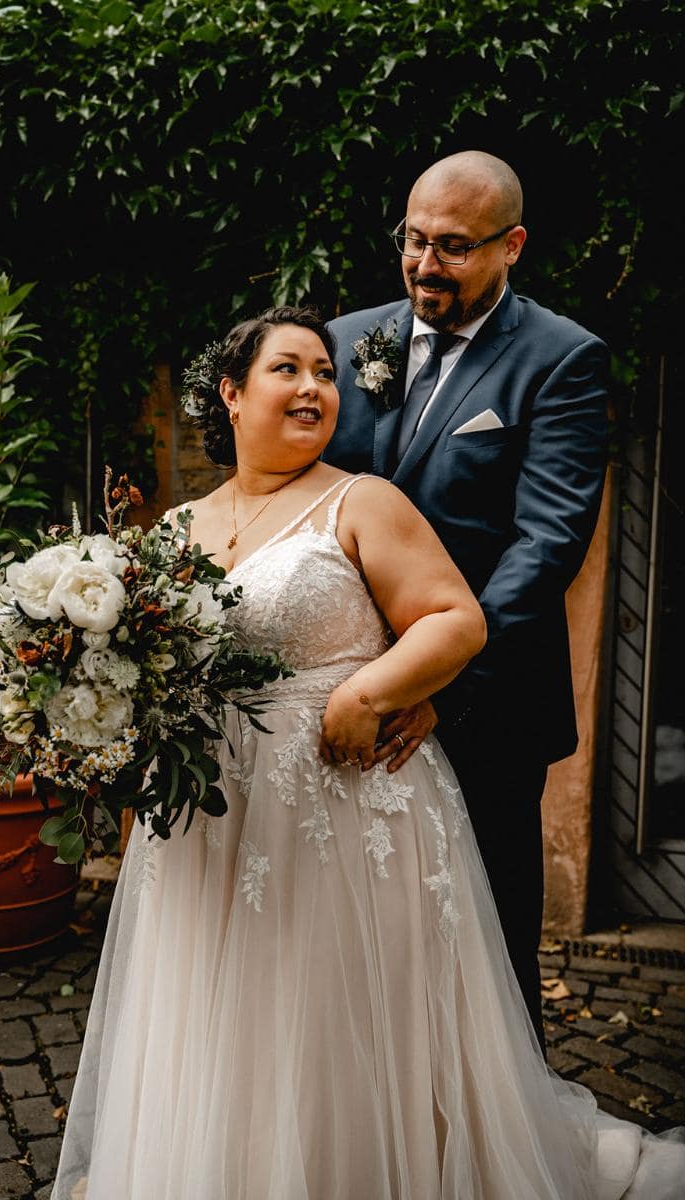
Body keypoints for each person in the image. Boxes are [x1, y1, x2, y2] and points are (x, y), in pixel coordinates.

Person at [52, 305, 683, 1199]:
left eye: (325, 373)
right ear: (232, 395)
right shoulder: (170, 533)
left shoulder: (361, 500)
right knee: (229, 1016)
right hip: (212, 820)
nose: (315, 388)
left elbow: (457, 619)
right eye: (289, 371)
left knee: (333, 1013)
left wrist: (368, 691)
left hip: (344, 809)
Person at [325, 150, 609, 1046]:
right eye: (412, 240)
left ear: (510, 245)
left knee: (487, 933)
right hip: (340, 687)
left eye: (452, 246)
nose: (422, 265)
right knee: (353, 932)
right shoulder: (352, 341)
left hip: (480, 707)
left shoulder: (561, 359)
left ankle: (501, 1134)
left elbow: (547, 542)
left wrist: (438, 679)